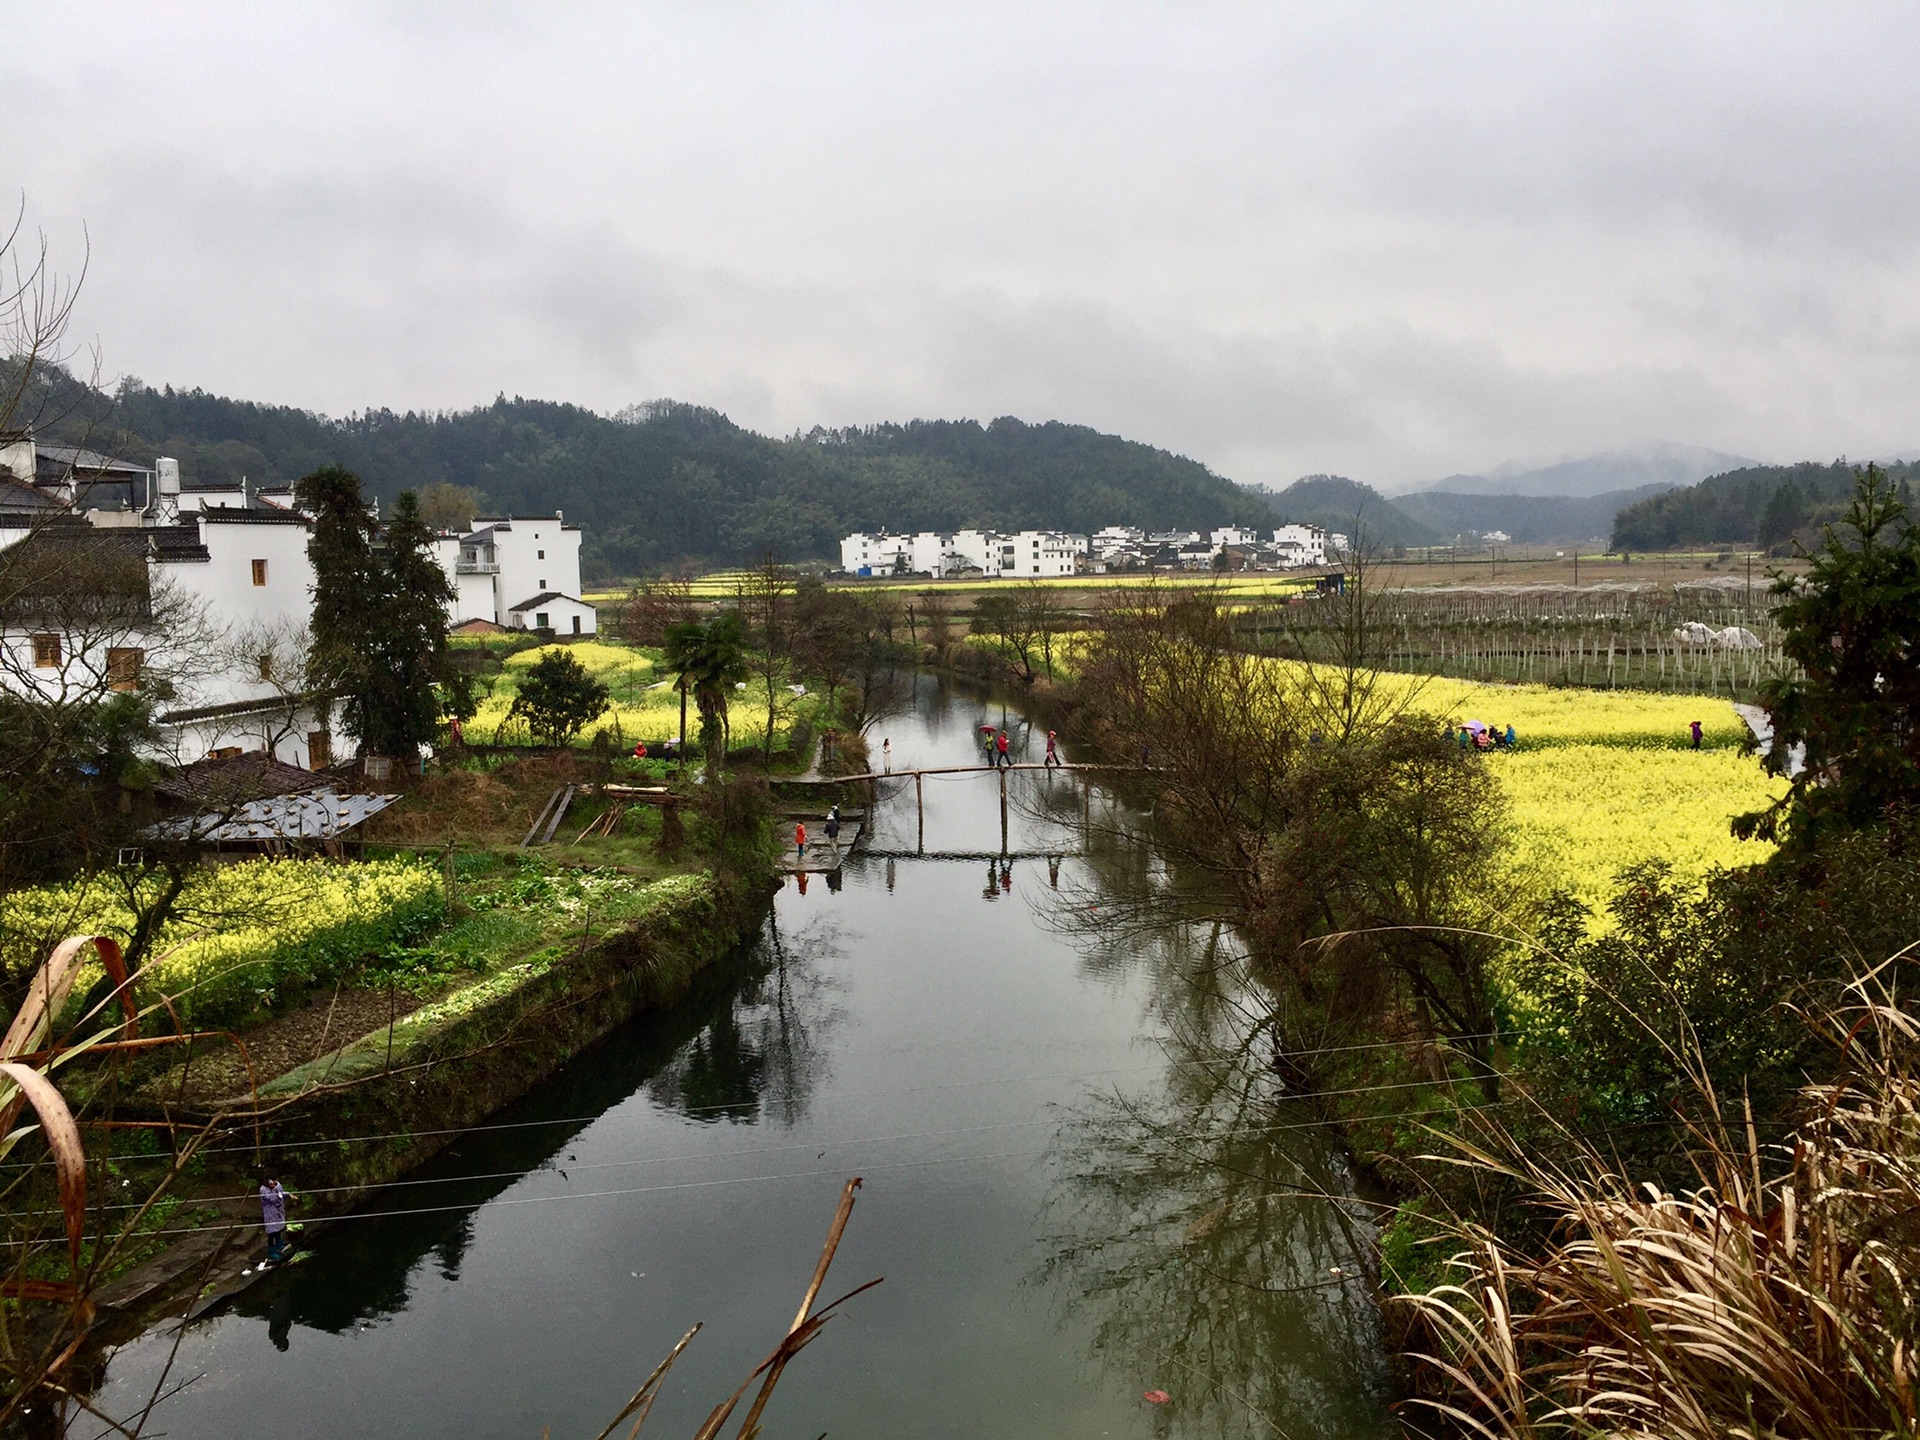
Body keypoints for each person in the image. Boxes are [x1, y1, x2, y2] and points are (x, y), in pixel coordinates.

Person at [259, 1177, 295, 1264]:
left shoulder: (276, 1185)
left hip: (278, 1211)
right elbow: (272, 1199)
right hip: (270, 1213)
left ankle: (279, 1245)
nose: (272, 1185)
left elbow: (280, 1193)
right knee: (272, 1232)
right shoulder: (263, 1190)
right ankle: (272, 1250)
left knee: (279, 1229)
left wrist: (289, 1194)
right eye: (270, 1184)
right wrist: (275, 1189)